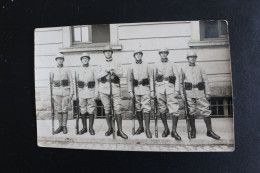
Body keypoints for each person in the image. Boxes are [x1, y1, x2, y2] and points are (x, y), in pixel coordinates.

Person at [180, 52, 220, 140]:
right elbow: (180, 82)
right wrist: (182, 94)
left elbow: (205, 80)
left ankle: (209, 131)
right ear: (187, 59)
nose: (192, 59)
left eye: (194, 57)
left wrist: (208, 92)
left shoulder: (201, 68)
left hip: (200, 91)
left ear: (196, 58)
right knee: (191, 111)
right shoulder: (183, 69)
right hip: (189, 93)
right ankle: (193, 130)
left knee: (205, 110)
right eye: (190, 57)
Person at [96, 45, 128, 139]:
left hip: (115, 87)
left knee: (117, 108)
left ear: (112, 53)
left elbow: (121, 74)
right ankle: (110, 128)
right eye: (106, 52)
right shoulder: (100, 63)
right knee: (107, 108)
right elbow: (97, 75)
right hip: (104, 88)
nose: (108, 53)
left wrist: (114, 71)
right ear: (104, 53)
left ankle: (120, 130)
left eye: (109, 52)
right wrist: (105, 71)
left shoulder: (117, 62)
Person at [153, 48, 181, 140]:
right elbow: (153, 79)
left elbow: (177, 77)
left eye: (165, 53)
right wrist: (153, 91)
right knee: (162, 109)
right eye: (162, 53)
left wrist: (177, 90)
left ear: (167, 54)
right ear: (159, 54)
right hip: (160, 89)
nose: (163, 55)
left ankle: (174, 131)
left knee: (174, 109)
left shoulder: (172, 64)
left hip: (170, 88)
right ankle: (166, 129)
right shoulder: (156, 64)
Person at [127, 50, 154, 138]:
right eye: (136, 54)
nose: (138, 56)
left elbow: (151, 78)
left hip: (145, 88)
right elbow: (129, 80)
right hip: (135, 90)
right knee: (138, 108)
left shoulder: (147, 65)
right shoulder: (131, 66)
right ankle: (141, 127)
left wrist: (152, 90)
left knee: (146, 108)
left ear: (142, 55)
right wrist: (130, 91)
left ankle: (147, 129)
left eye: (139, 54)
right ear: (134, 56)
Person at [50, 53, 73, 134]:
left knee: (65, 109)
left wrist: (71, 93)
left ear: (63, 60)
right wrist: (51, 94)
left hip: (66, 92)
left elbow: (71, 81)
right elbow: (50, 83)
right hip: (56, 93)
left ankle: (64, 126)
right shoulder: (52, 70)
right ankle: (60, 126)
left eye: (61, 59)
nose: (60, 60)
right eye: (58, 59)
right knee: (58, 109)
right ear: (56, 60)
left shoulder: (67, 69)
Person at [75, 52, 97, 135]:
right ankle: (84, 128)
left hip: (91, 91)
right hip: (81, 92)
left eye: (86, 58)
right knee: (83, 109)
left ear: (88, 60)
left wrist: (96, 92)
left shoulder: (93, 69)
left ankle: (91, 128)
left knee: (91, 109)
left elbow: (96, 81)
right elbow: (75, 82)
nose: (85, 60)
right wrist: (76, 94)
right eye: (83, 58)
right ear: (81, 60)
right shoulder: (77, 70)